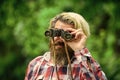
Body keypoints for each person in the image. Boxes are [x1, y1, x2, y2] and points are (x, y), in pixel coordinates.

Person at [24, 12, 107, 80]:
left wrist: (80, 49)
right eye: (56, 32)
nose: (59, 38)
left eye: (66, 34)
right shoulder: (36, 64)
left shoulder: (83, 67)